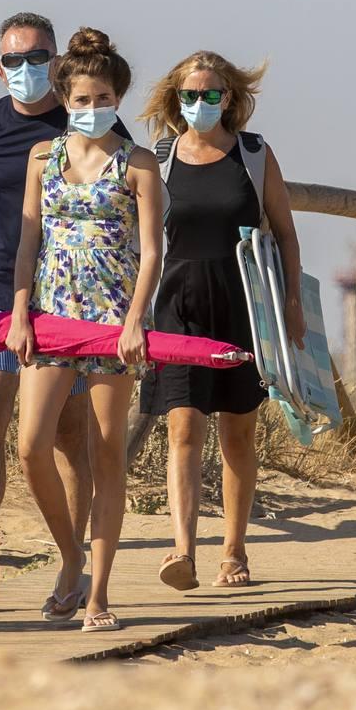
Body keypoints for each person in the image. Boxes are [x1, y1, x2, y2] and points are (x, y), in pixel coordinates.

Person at [0, 13, 129, 603]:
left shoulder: (83, 119)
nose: (26, 69)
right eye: (14, 60)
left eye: (38, 57)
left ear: (58, 60)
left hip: (70, 297)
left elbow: (130, 202)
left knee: (69, 432)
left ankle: (70, 563)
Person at [6, 27, 164, 632]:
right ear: (64, 99)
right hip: (52, 314)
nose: (91, 109)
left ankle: (97, 592)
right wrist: (21, 310)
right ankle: (69, 555)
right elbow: (29, 239)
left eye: (102, 99)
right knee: (30, 445)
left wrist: (134, 323)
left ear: (117, 98)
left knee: (105, 454)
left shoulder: (139, 163)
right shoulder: (41, 158)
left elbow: (151, 252)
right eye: (80, 100)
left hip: (114, 322)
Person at [137, 52, 305, 590]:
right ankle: (181, 548)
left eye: (212, 95)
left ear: (229, 98)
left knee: (238, 431)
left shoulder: (254, 155)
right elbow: (142, 243)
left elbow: (284, 231)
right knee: (182, 425)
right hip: (178, 302)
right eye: (191, 95)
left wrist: (293, 304)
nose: (201, 104)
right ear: (175, 99)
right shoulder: (158, 159)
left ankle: (234, 550)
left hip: (243, 304)